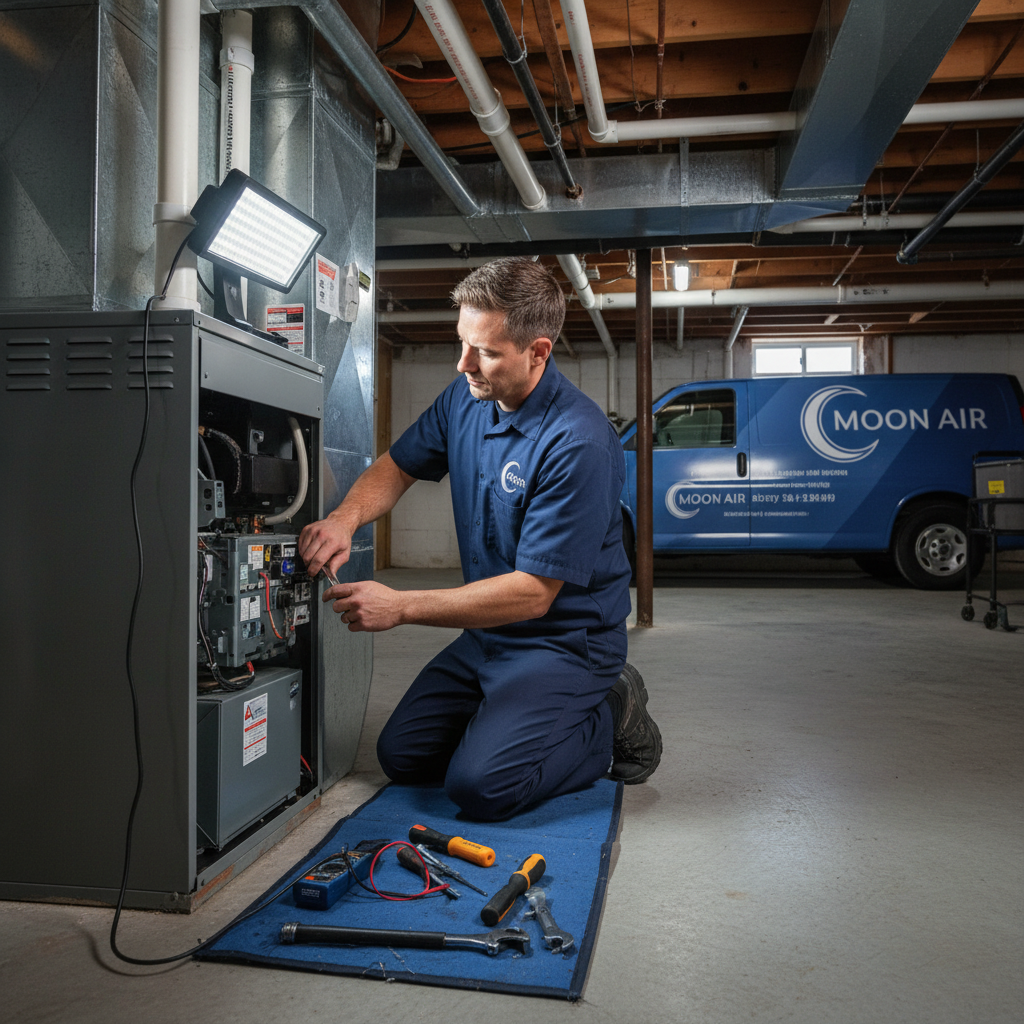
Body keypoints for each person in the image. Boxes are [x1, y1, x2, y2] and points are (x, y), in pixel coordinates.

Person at [298, 257, 661, 821]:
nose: (463, 363)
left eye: (485, 352)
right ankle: (514, 722)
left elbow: (534, 594)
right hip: (489, 637)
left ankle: (611, 713)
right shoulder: (466, 399)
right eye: (462, 342)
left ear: (538, 352)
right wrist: (345, 519)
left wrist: (402, 605)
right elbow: (397, 466)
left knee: (482, 788)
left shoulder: (578, 442)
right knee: (404, 757)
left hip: (564, 642)